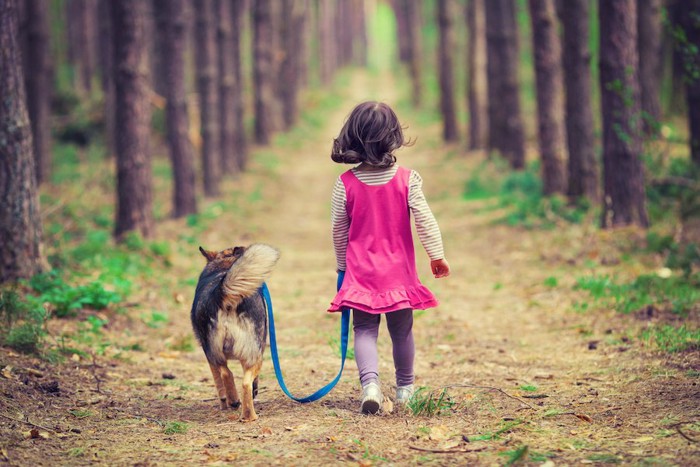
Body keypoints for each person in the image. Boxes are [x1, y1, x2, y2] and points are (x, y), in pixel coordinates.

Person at [328, 101, 450, 414]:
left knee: (365, 331)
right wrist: (436, 255)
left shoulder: (345, 185)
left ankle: (370, 385)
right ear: (393, 137)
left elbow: (338, 231)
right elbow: (425, 219)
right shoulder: (408, 180)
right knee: (402, 331)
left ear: (352, 137)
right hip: (399, 274)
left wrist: (342, 267)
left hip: (362, 274)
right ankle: (405, 389)